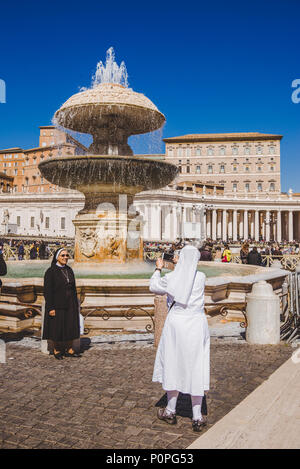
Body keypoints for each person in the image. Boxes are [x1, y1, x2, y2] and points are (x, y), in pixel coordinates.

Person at [150, 245, 210, 432]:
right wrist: (181, 263)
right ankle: (197, 416)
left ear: (180, 258)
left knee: (173, 363)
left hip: (177, 323)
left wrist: (158, 268)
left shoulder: (171, 277)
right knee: (197, 365)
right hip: (197, 323)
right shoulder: (201, 277)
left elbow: (153, 286)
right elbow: (188, 276)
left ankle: (170, 410)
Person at [42, 248, 81, 359]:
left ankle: (69, 349)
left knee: (70, 326)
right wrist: (50, 308)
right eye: (63, 255)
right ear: (57, 257)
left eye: (67, 256)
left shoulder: (69, 269)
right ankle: (56, 349)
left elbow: (73, 287)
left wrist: (76, 303)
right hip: (57, 304)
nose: (65, 258)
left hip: (70, 304)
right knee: (56, 328)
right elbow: (47, 291)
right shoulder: (51, 271)